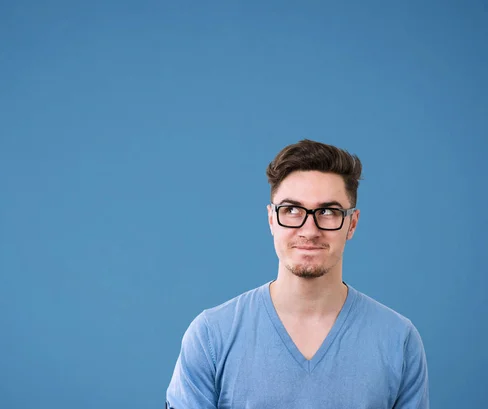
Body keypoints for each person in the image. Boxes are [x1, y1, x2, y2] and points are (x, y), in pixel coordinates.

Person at [165, 139, 429, 409]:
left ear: (352, 224)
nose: (309, 230)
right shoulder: (211, 336)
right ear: (271, 219)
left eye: (328, 211)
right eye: (292, 210)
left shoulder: (399, 339)